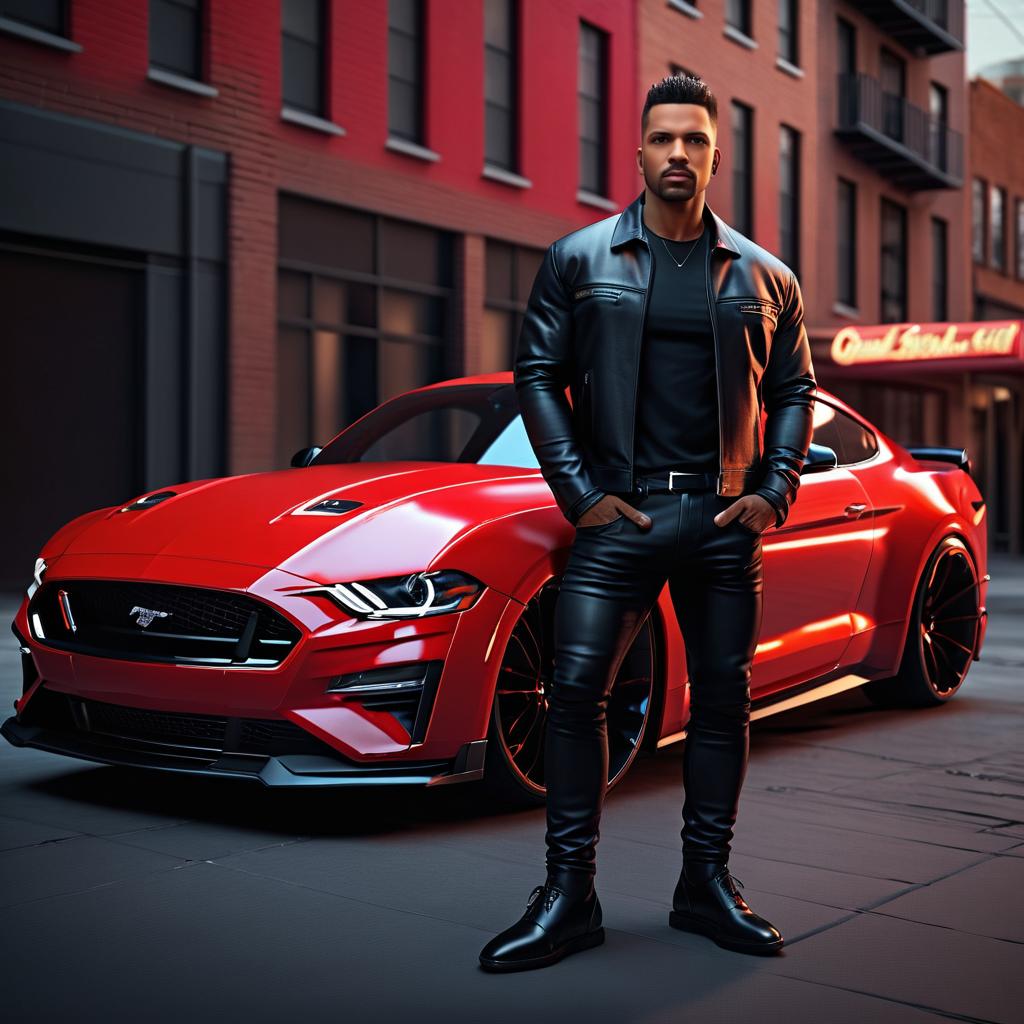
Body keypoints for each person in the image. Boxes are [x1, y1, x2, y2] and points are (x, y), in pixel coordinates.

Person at [478, 74, 816, 972]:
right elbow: (537, 376)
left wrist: (773, 490)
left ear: (714, 153)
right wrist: (579, 495)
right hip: (616, 516)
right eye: (662, 139)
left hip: (721, 516)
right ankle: (568, 897)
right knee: (576, 698)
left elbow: (793, 393)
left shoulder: (765, 276)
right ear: (637, 153)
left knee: (722, 701)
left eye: (693, 140)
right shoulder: (579, 259)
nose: (677, 154)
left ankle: (705, 886)